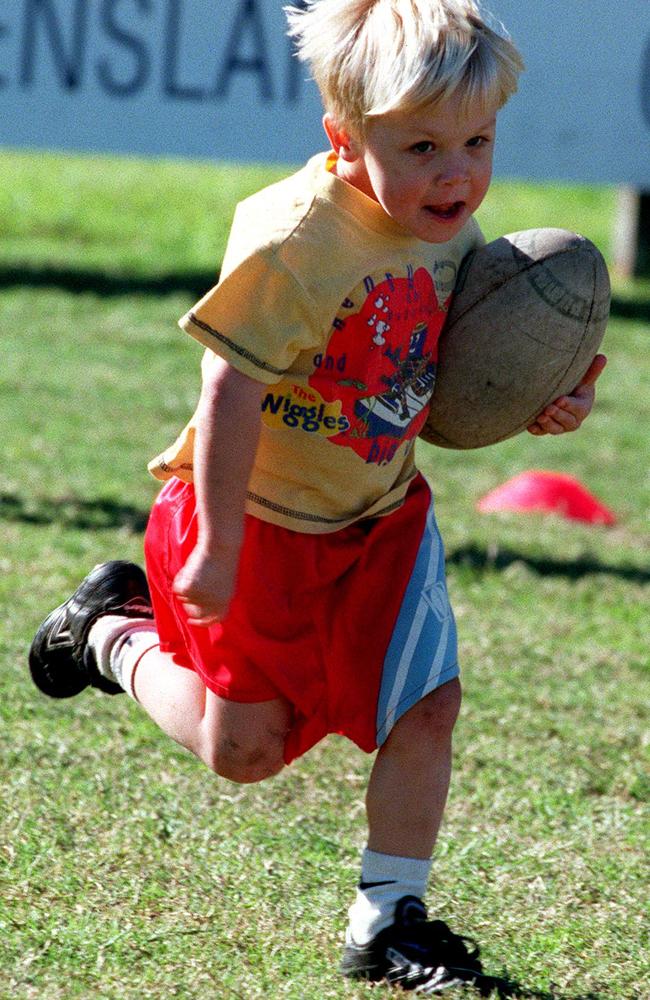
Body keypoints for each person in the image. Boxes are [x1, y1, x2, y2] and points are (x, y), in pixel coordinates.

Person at [28, 0, 607, 991]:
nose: (456, 172)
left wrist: (546, 399)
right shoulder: (295, 237)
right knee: (242, 750)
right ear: (343, 136)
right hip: (255, 523)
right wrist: (214, 546)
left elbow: (441, 381)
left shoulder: (453, 234)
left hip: (381, 521)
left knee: (429, 708)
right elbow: (229, 386)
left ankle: (387, 921)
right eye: (421, 145)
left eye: (476, 140)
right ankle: (110, 634)